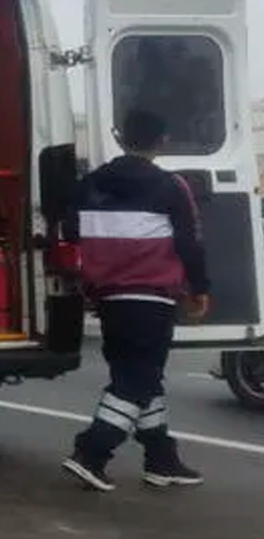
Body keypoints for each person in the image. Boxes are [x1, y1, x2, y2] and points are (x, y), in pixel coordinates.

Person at [62, 108, 210, 491]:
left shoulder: (90, 184)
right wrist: (201, 289)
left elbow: (70, 229)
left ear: (120, 137)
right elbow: (190, 243)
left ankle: (161, 459)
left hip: (109, 296)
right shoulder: (171, 186)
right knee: (137, 381)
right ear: (162, 142)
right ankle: (91, 454)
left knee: (139, 377)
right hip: (152, 296)